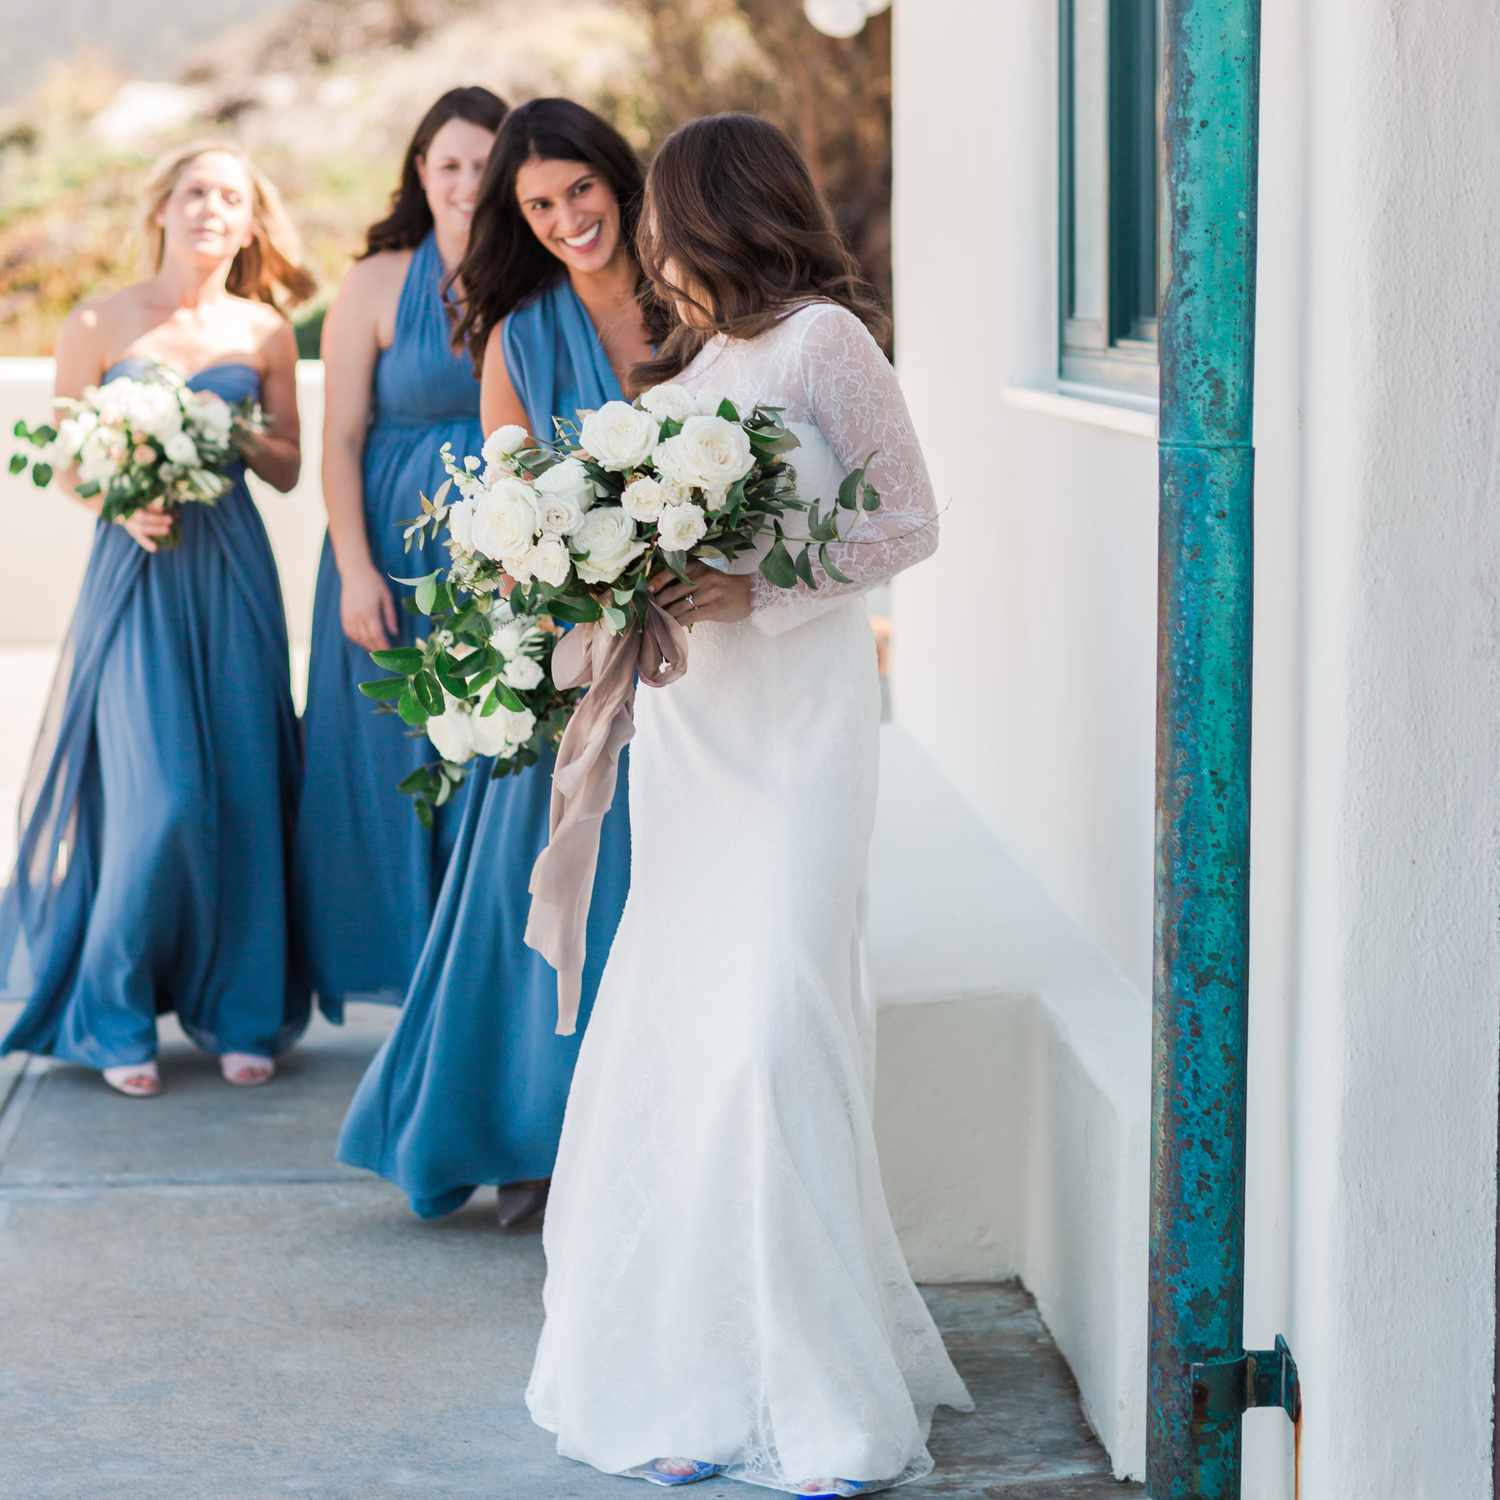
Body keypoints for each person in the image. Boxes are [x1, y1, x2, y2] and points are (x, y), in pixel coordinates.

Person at [524, 114, 974, 1495]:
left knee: (776, 1036)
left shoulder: (823, 344)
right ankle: (691, 1379)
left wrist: (759, 587)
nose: (648, 241)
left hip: (798, 735)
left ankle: (822, 1401)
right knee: (682, 1041)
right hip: (691, 733)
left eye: (657, 209)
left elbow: (911, 521)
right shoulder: (692, 365)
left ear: (709, 210)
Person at [336, 99, 648, 1228]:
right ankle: (528, 1136)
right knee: (531, 877)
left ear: (618, 178)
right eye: (539, 204)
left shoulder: (695, 302)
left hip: (703, 651)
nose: (569, 217)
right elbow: (507, 513)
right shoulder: (521, 333)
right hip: (570, 650)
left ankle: (642, 1140)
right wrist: (558, 606)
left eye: (581, 189)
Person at [0, 143, 314, 1096]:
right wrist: (119, 498)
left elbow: (291, 465)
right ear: (164, 209)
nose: (211, 209)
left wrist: (229, 429)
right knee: (161, 796)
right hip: (135, 569)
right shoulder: (98, 320)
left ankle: (243, 1012)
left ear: (251, 223)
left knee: (246, 785)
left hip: (232, 569)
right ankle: (113, 1008)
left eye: (232, 196)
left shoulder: (264, 332)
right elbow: (62, 461)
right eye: (195, 193)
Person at [295, 86, 506, 1017]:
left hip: (506, 550)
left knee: (495, 765)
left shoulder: (538, 271)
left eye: (485, 164)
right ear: (420, 173)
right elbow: (340, 437)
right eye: (449, 164)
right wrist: (352, 568)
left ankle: (474, 993)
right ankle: (412, 987)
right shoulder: (377, 280)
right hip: (382, 546)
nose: (467, 183)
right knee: (388, 769)